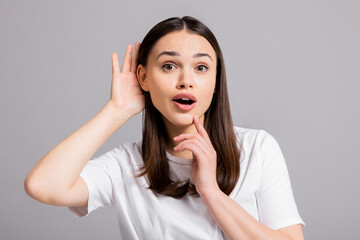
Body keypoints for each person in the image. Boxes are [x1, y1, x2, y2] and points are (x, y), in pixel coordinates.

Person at [24, 16, 306, 239]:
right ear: (144, 78)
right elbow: (42, 185)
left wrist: (211, 192)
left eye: (201, 68)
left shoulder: (257, 148)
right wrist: (117, 110)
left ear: (216, 81)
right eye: (169, 66)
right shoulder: (127, 164)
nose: (186, 80)